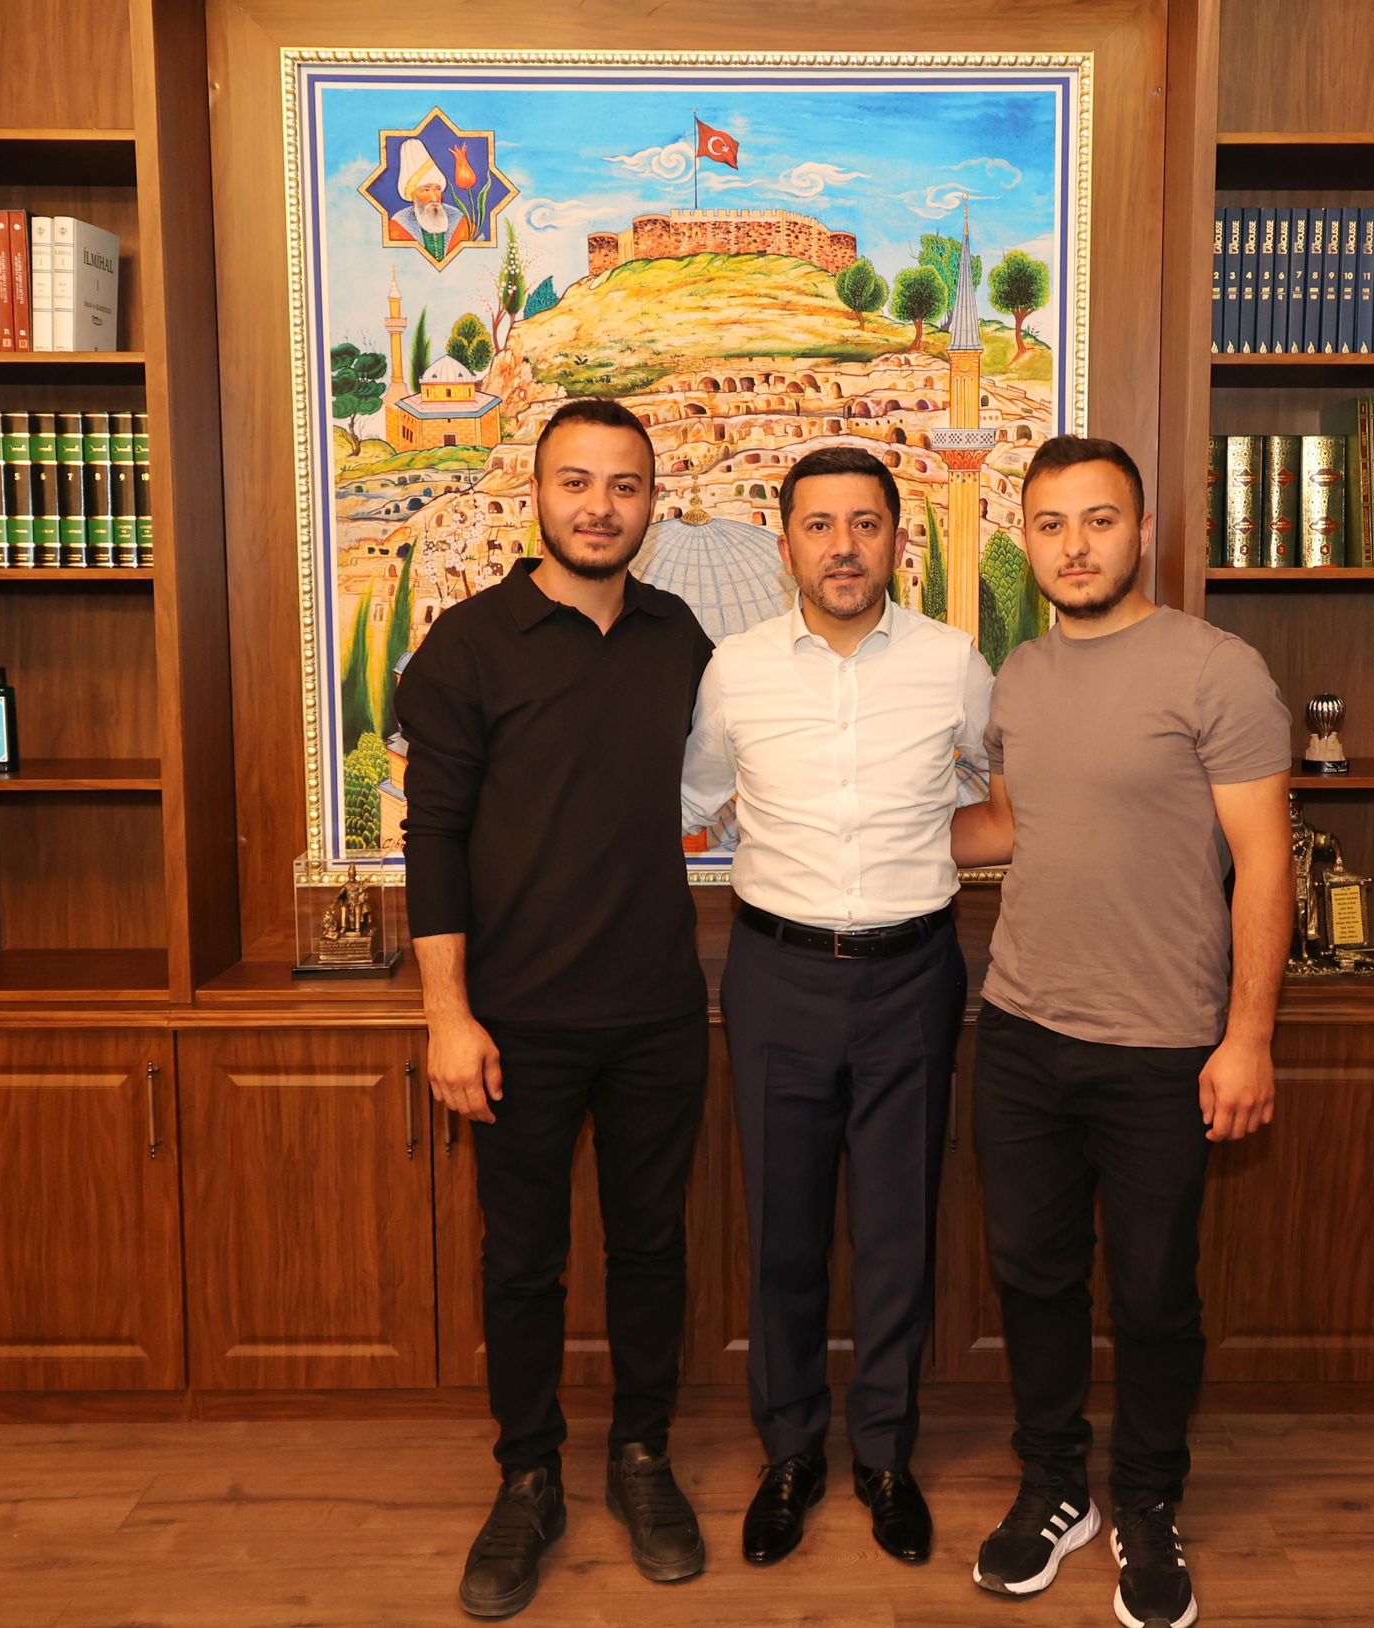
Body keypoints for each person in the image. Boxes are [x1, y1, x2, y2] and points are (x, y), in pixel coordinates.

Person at [953, 435, 1291, 1628]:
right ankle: (1056, 1486)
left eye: (1098, 520)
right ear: (1028, 537)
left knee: (1151, 1292)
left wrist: (1246, 1036)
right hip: (1020, 1029)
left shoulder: (1214, 669)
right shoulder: (1019, 676)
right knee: (1031, 1275)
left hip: (1161, 1045)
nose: (1074, 545)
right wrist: (844, 824)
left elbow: (1264, 865)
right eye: (1050, 523)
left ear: (1141, 532)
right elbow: (1004, 827)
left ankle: (1146, 1498)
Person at [396, 398, 716, 1619]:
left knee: (650, 1247)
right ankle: (527, 1475)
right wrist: (447, 1014)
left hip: (655, 1008)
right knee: (522, 1260)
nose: (599, 506)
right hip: (515, 1020)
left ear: (652, 501)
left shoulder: (679, 636)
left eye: (623, 485)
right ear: (535, 493)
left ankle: (641, 1454)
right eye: (575, 481)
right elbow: (434, 839)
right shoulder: (469, 645)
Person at [680, 446, 992, 1568]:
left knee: (900, 1228)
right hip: (776, 976)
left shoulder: (955, 663)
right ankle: (790, 1452)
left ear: (896, 540)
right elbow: (695, 798)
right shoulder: (735, 670)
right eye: (819, 525)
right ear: (786, 547)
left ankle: (886, 1454)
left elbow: (994, 790)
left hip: (913, 973)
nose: (843, 547)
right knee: (783, 1229)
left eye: (865, 523)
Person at [389, 137, 473, 264]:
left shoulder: (458, 220)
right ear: (413, 196)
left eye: (437, 189)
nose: (434, 198)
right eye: (426, 190)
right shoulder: (399, 224)